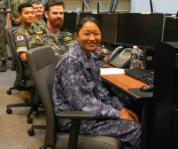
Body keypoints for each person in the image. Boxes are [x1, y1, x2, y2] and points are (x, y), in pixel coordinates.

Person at [52, 16, 142, 149]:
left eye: (96, 33)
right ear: (76, 36)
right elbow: (83, 104)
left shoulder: (90, 58)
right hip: (75, 119)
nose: (92, 38)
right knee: (135, 128)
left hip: (88, 113)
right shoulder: (72, 62)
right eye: (86, 34)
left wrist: (120, 107)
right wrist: (117, 113)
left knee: (135, 113)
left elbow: (100, 92)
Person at [13, 3, 38, 99]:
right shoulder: (20, 34)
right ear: (20, 16)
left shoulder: (36, 28)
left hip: (38, 62)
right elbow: (23, 57)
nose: (31, 15)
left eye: (32, 12)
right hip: (31, 67)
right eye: (27, 13)